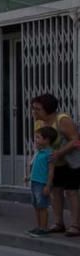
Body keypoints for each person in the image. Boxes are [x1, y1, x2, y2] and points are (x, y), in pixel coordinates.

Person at [31, 94, 80, 237]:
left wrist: (59, 153)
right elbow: (39, 144)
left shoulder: (62, 120)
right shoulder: (39, 123)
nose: (34, 112)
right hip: (53, 163)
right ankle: (59, 223)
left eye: (38, 109)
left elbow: (76, 141)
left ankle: (76, 225)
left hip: (70, 161)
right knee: (55, 191)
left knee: (71, 192)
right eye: (33, 108)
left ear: (48, 109)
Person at [25, 126, 57, 237]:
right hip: (34, 182)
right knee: (36, 206)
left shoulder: (50, 154)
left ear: (47, 140)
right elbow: (35, 168)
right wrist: (29, 177)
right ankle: (38, 227)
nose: (36, 140)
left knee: (42, 206)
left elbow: (51, 171)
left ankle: (43, 228)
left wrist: (48, 186)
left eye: (38, 137)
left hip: (42, 184)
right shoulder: (38, 152)